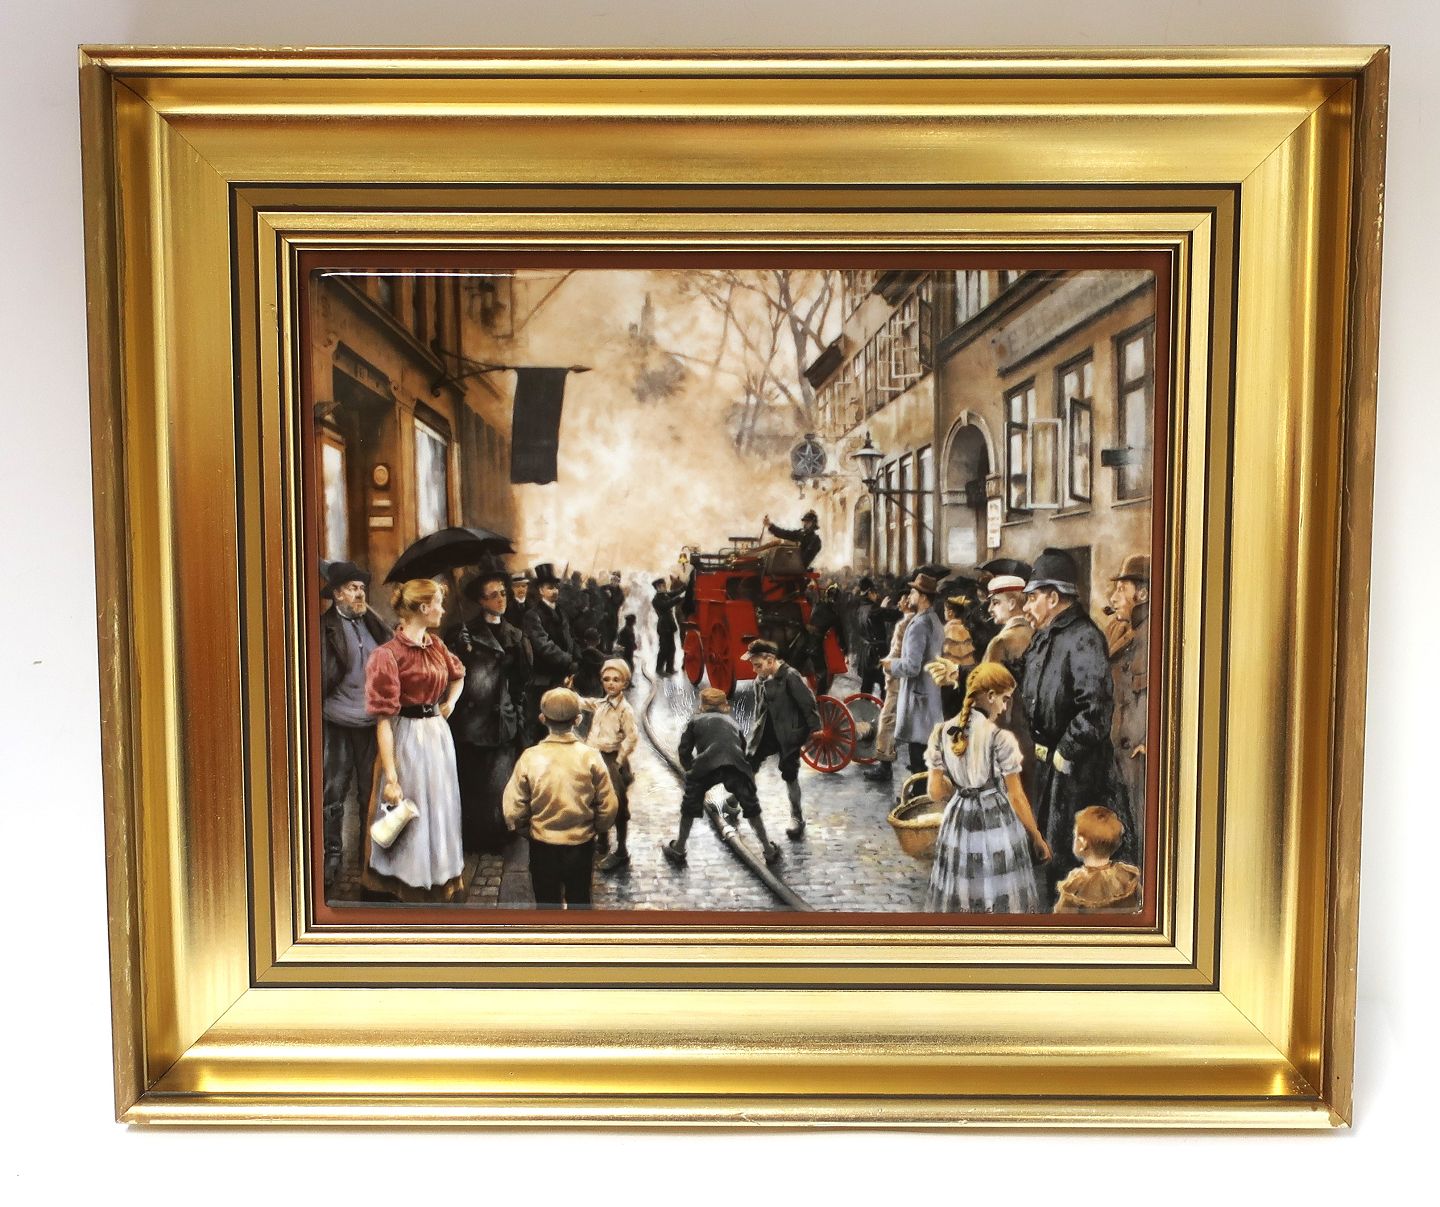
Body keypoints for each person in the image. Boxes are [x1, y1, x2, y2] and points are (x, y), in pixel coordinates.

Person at [1021, 547, 1131, 900]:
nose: (1027, 606)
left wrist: (1066, 750)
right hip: (1049, 768)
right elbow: (1023, 679)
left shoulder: (1084, 637)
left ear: (1053, 598)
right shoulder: (1045, 635)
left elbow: (1095, 709)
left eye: (1033, 597)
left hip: (1079, 774)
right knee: (1047, 854)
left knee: (1072, 860)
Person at [361, 578, 467, 902]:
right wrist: (391, 777)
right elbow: (383, 721)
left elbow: (458, 675)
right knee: (410, 808)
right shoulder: (387, 655)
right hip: (405, 736)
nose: (442, 610)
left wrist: (450, 703)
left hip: (437, 736)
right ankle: (407, 880)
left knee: (440, 805)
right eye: (438, 604)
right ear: (423, 608)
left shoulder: (436, 646)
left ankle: (439, 873)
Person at [924, 662, 1050, 913]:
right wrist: (1036, 837)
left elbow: (935, 792)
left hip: (958, 823)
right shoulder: (1000, 738)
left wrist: (959, 786)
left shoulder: (941, 732)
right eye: (1005, 699)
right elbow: (1016, 797)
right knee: (998, 891)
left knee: (963, 891)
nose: (1004, 707)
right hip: (995, 823)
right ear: (991, 696)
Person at [503, 687, 619, 909]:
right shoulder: (590, 757)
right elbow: (608, 805)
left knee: (547, 907)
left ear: (542, 719)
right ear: (578, 720)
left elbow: (513, 808)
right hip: (580, 846)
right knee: (580, 903)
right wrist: (596, 827)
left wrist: (527, 830)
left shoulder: (530, 757)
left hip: (543, 846)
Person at [444, 569, 531, 857]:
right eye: (493, 596)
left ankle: (497, 836)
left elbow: (521, 681)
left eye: (503, 593)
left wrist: (514, 711)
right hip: (470, 722)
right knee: (472, 782)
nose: (500, 600)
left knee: (499, 783)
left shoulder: (516, 636)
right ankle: (472, 838)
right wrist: (459, 648)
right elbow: (450, 675)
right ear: (481, 601)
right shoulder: (461, 634)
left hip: (500, 720)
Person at [318, 561, 391, 891]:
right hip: (336, 720)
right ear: (336, 594)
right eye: (352, 588)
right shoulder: (324, 628)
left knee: (369, 793)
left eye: (362, 588)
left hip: (370, 722)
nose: (360, 593)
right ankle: (332, 855)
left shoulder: (374, 624)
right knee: (332, 791)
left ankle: (367, 857)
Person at [725, 638, 821, 844]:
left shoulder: (791, 676)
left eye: (758, 665)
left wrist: (816, 729)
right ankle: (734, 800)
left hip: (788, 733)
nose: (754, 670)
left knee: (789, 772)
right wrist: (755, 732)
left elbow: (808, 704)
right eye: (753, 665)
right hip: (766, 731)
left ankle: (797, 817)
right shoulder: (759, 679)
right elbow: (759, 708)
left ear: (770, 660)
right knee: (750, 763)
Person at [664, 688, 772, 866]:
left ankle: (679, 847)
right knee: (752, 807)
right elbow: (741, 748)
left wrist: (691, 771)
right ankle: (768, 849)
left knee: (689, 806)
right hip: (736, 767)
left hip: (706, 766)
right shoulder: (733, 723)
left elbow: (684, 751)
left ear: (702, 705)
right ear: (724, 706)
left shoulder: (695, 721)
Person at [1105, 553, 1151, 863]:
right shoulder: (1117, 630)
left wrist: (1151, 742)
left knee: (1146, 838)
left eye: (1122, 589)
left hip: (1141, 761)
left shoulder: (1160, 635)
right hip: (1116, 758)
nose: (1113, 598)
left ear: (1143, 593)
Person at [576, 659, 640, 872]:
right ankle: (602, 841)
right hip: (593, 757)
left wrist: (620, 761)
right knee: (596, 800)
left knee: (618, 804)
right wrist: (568, 691)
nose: (611, 683)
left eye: (616, 680)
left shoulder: (625, 710)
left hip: (611, 759)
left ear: (625, 683)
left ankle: (621, 851)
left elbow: (632, 737)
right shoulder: (601, 704)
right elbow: (582, 702)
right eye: (606, 679)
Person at [887, 571, 946, 775]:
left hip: (919, 700)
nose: (909, 596)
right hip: (930, 696)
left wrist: (891, 665)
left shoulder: (919, 625)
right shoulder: (933, 619)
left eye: (913, 592)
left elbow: (912, 667)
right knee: (927, 757)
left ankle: (918, 792)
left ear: (922, 597)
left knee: (918, 757)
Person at [862, 589, 914, 784]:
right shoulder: (913, 620)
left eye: (902, 599)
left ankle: (885, 767)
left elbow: (903, 656)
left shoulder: (907, 622)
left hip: (900, 680)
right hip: (903, 679)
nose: (898, 603)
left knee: (888, 721)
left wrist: (888, 664)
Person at [523, 563, 578, 743]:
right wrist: (569, 661)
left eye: (556, 587)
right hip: (542, 681)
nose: (554, 591)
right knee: (541, 727)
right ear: (540, 590)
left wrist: (575, 664)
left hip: (561, 678)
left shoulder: (561, 612)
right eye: (549, 587)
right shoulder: (533, 615)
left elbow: (570, 640)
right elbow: (544, 646)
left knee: (561, 725)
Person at [1054, 806, 1141, 914]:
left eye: (1075, 836)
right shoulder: (1125, 877)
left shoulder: (1076, 883)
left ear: (1082, 843)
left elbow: (1061, 917)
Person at [807, 583, 847, 695]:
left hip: (804, 641)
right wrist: (844, 649)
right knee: (822, 673)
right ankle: (820, 698)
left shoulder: (818, 604)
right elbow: (840, 635)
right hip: (815, 645)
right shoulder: (834, 615)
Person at [652, 576, 686, 675]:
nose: (664, 587)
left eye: (664, 585)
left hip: (669, 626)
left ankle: (669, 669)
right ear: (657, 588)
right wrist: (680, 597)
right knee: (664, 649)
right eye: (661, 586)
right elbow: (667, 605)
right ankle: (659, 669)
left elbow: (675, 592)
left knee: (672, 648)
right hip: (663, 626)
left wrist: (684, 587)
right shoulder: (656, 600)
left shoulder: (665, 594)